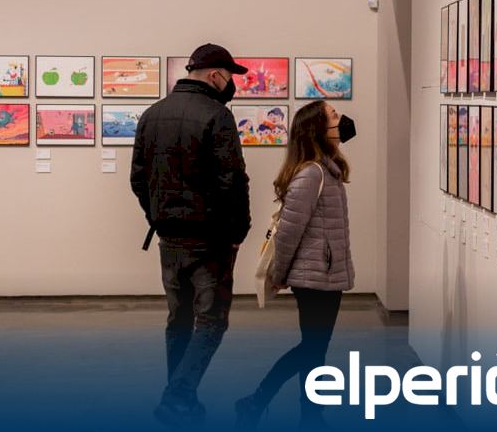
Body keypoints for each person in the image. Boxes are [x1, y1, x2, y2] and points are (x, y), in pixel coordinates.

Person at [130, 43, 252, 427]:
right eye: (229, 77)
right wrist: (238, 231)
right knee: (212, 321)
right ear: (215, 75)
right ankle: (177, 396)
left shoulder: (152, 114)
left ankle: (182, 400)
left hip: (169, 238)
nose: (231, 84)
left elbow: (138, 179)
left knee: (179, 319)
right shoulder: (217, 115)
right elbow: (233, 181)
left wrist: (159, 216)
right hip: (210, 239)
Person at [236, 100, 356, 430]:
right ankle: (257, 401)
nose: (342, 119)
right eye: (334, 115)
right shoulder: (311, 173)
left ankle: (310, 414)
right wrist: (279, 274)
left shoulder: (327, 169)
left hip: (324, 274)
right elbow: (289, 231)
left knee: (315, 350)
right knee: (312, 348)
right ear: (318, 129)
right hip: (314, 277)